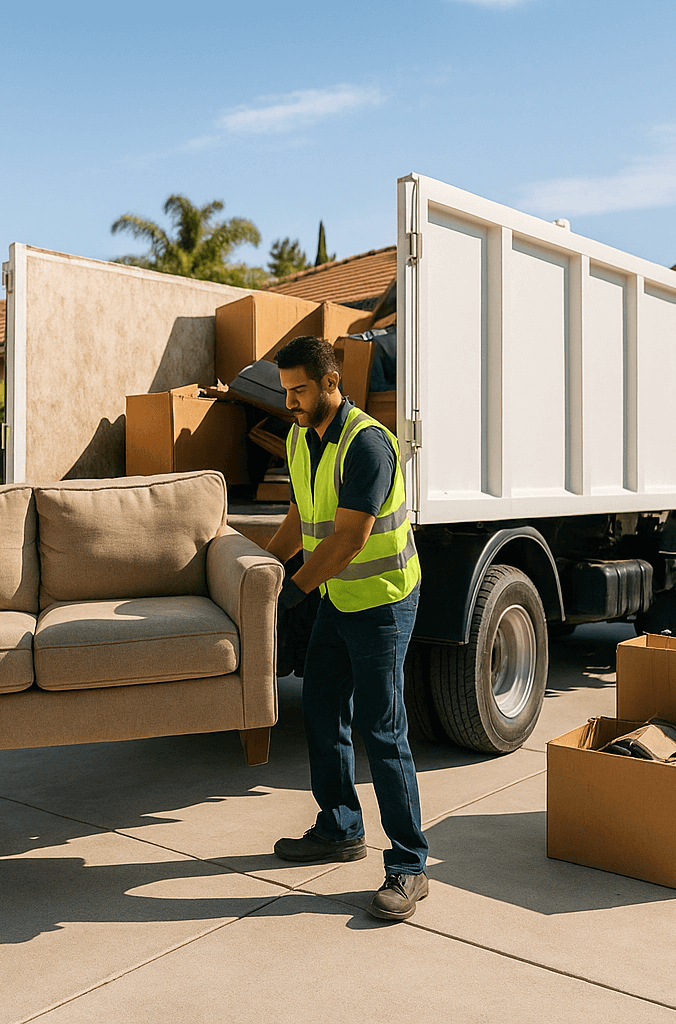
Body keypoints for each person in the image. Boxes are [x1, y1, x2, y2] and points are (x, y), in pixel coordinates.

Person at [265, 335, 429, 922]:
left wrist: (292, 589)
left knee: (381, 731)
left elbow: (351, 536)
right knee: (321, 707)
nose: (290, 401)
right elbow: (299, 516)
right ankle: (339, 827)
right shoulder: (298, 437)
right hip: (339, 595)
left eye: (300, 390)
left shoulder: (368, 445)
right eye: (285, 391)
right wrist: (262, 567)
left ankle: (409, 865)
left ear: (331, 383)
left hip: (383, 601)